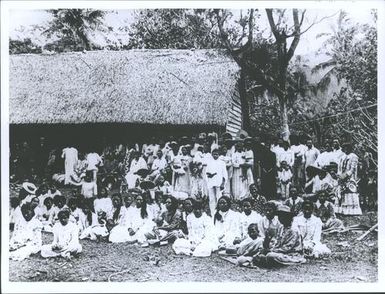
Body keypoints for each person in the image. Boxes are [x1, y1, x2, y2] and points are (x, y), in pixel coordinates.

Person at [337, 143, 362, 215]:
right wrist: (339, 175)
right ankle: (343, 210)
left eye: (347, 148)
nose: (345, 149)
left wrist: (345, 175)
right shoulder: (342, 156)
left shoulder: (354, 156)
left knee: (350, 191)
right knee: (342, 192)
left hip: (350, 177)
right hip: (341, 177)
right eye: (344, 148)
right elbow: (339, 167)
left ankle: (352, 211)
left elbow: (352, 169)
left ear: (350, 148)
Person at [206, 149, 228, 216]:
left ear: (219, 155)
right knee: (212, 199)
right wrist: (210, 175)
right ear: (212, 154)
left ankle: (220, 212)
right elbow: (206, 172)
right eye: (214, 154)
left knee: (219, 198)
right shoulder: (209, 162)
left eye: (217, 154)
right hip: (211, 182)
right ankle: (213, 213)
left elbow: (224, 174)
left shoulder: (222, 163)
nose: (215, 155)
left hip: (219, 182)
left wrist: (223, 183)